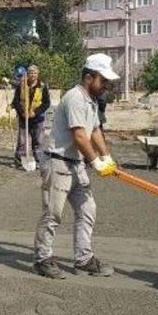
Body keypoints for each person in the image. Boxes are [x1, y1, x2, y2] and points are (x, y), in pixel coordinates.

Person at [33, 53, 119, 280]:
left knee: (87, 209)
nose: (106, 85)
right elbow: (80, 136)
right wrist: (95, 161)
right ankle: (42, 259)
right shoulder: (74, 98)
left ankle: (84, 259)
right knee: (53, 214)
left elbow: (95, 130)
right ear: (89, 77)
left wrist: (107, 157)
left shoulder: (91, 101)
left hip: (76, 164)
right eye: (103, 80)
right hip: (58, 162)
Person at [12, 65, 51, 168]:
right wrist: (22, 112)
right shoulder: (21, 86)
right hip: (23, 118)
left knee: (38, 141)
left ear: (38, 74)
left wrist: (35, 112)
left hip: (37, 119)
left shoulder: (43, 87)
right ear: (27, 74)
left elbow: (46, 103)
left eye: (34, 73)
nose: (32, 75)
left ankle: (38, 161)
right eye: (30, 73)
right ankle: (19, 161)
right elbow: (15, 101)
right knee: (22, 141)